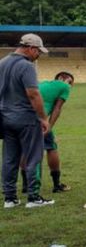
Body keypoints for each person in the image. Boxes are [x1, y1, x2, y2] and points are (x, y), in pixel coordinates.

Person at [1, 34, 54, 208]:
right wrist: (43, 118)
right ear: (31, 48)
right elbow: (33, 94)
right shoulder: (26, 66)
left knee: (9, 158)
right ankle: (33, 197)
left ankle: (9, 198)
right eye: (38, 51)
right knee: (33, 156)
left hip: (6, 117)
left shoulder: (2, 63)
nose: (38, 55)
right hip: (26, 118)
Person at [21, 71, 74, 194]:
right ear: (61, 78)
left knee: (26, 150)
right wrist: (49, 126)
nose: (70, 86)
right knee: (51, 148)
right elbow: (57, 108)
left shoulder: (43, 83)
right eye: (70, 82)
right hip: (39, 120)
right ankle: (56, 185)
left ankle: (25, 185)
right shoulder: (64, 86)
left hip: (24, 118)